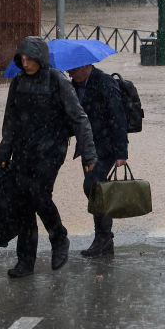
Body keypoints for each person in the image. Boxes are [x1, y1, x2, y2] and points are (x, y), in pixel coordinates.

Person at [0, 36, 97, 277]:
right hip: (22, 151)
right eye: (22, 58)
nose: (25, 62)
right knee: (23, 204)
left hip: (51, 151)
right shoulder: (18, 82)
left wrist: (88, 153)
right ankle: (25, 261)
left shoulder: (57, 81)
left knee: (39, 195)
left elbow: (79, 118)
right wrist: (3, 151)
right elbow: (10, 120)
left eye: (29, 58)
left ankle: (58, 236)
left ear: (40, 58)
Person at [66, 63, 128, 258]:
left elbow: (118, 117)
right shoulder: (74, 86)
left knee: (92, 187)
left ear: (86, 66)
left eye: (73, 70)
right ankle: (104, 239)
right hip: (87, 146)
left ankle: (103, 236)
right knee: (96, 190)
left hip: (106, 146)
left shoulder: (105, 83)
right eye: (68, 71)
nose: (70, 73)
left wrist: (121, 152)